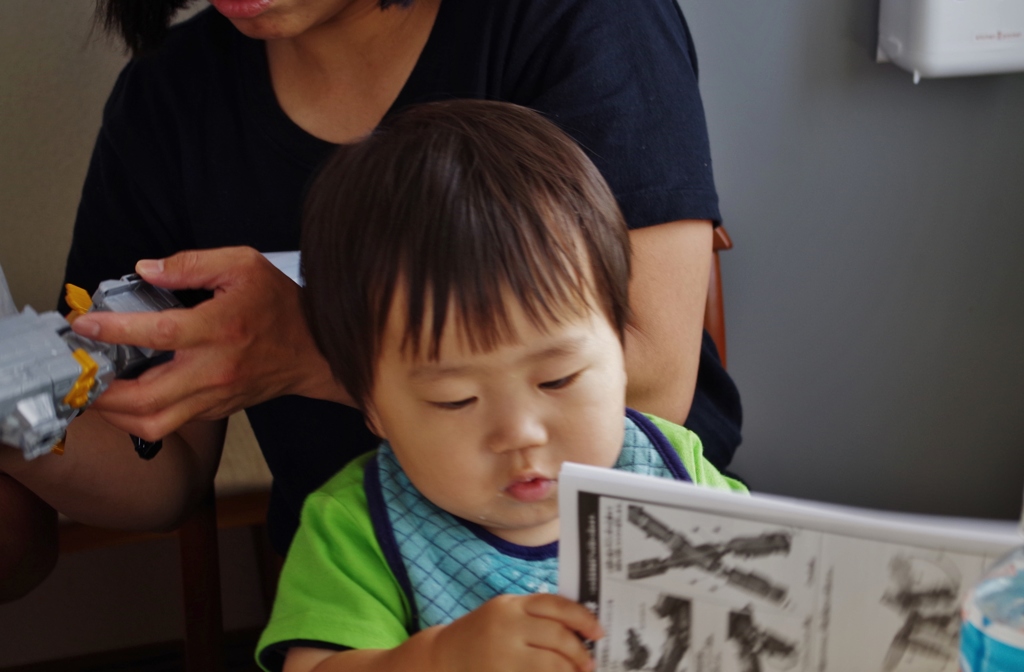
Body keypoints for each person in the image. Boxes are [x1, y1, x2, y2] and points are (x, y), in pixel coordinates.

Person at [0, 0, 741, 583]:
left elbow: (651, 387)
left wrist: (308, 348)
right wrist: (18, 414)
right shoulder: (168, 99)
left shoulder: (571, 17)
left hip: (626, 550)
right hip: (364, 581)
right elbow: (163, 471)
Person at [255, 99, 746, 672]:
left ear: (618, 346)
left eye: (558, 378)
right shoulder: (358, 527)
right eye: (455, 399)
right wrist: (439, 659)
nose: (518, 433)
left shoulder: (672, 472)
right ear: (373, 407)